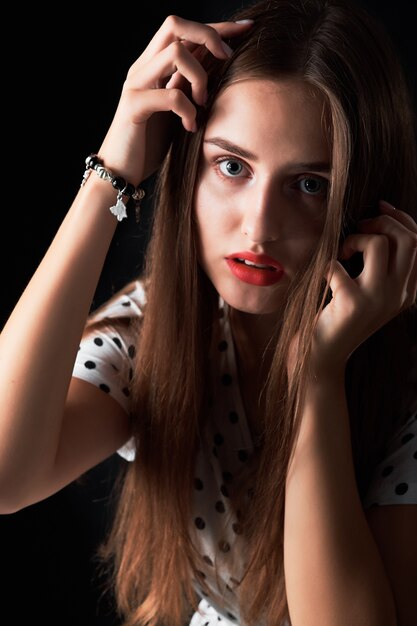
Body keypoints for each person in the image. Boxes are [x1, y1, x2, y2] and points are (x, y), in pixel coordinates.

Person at [1, 0, 416, 624]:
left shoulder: (407, 380)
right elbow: (5, 475)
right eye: (232, 166)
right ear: (188, 171)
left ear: (369, 208)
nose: (259, 227)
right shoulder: (154, 330)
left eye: (309, 185)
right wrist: (109, 176)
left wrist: (319, 378)